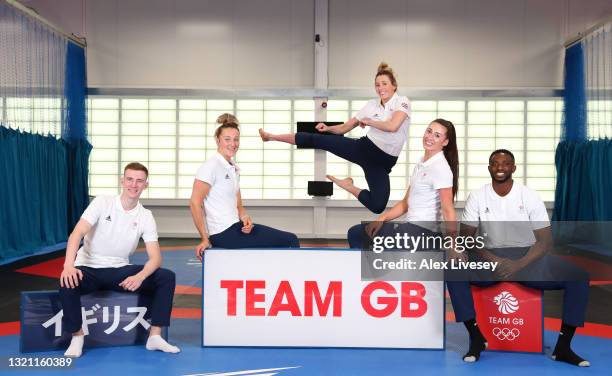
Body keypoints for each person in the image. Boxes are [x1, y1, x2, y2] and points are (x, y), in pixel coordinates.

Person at [446, 149, 590, 366]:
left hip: (527, 259)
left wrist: (518, 264)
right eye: (495, 163)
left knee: (578, 277)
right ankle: (476, 338)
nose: (500, 167)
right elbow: (467, 239)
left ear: (513, 168)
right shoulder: (477, 196)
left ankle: (564, 347)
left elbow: (544, 241)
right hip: (490, 259)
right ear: (489, 168)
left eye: (505, 163)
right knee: (453, 270)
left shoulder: (529, 195)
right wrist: (492, 259)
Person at [59, 162, 180, 358]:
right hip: (89, 267)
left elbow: (156, 258)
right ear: (122, 181)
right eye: (130, 179)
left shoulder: (145, 216)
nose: (134, 185)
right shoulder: (102, 202)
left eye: (139, 181)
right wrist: (68, 266)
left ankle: (155, 336)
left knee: (166, 277)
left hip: (119, 270)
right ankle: (77, 337)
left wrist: (140, 276)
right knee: (67, 282)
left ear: (145, 185)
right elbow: (76, 234)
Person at [258, 62, 410, 214]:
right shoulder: (371, 105)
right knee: (319, 139)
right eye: (377, 85)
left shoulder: (402, 101)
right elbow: (345, 127)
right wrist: (328, 128)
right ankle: (272, 137)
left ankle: (349, 186)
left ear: (394, 86)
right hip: (365, 149)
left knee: (378, 206)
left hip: (382, 163)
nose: (380, 88)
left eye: (384, 84)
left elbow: (393, 126)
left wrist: (369, 121)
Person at [190, 113, 300, 259]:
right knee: (290, 240)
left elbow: (239, 206)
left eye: (236, 139)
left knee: (290, 239)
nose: (232, 143)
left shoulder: (233, 168)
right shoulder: (211, 166)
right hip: (222, 233)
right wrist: (205, 238)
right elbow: (194, 203)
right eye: (227, 139)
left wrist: (245, 219)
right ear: (218, 140)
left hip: (236, 227)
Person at [347, 118, 459, 248]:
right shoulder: (421, 163)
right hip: (411, 229)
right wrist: (381, 219)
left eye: (437, 135)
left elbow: (448, 210)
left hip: (424, 233)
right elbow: (405, 203)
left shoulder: (441, 168)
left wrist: (453, 246)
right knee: (357, 234)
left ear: (445, 142)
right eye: (429, 131)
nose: (430, 137)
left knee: (357, 235)